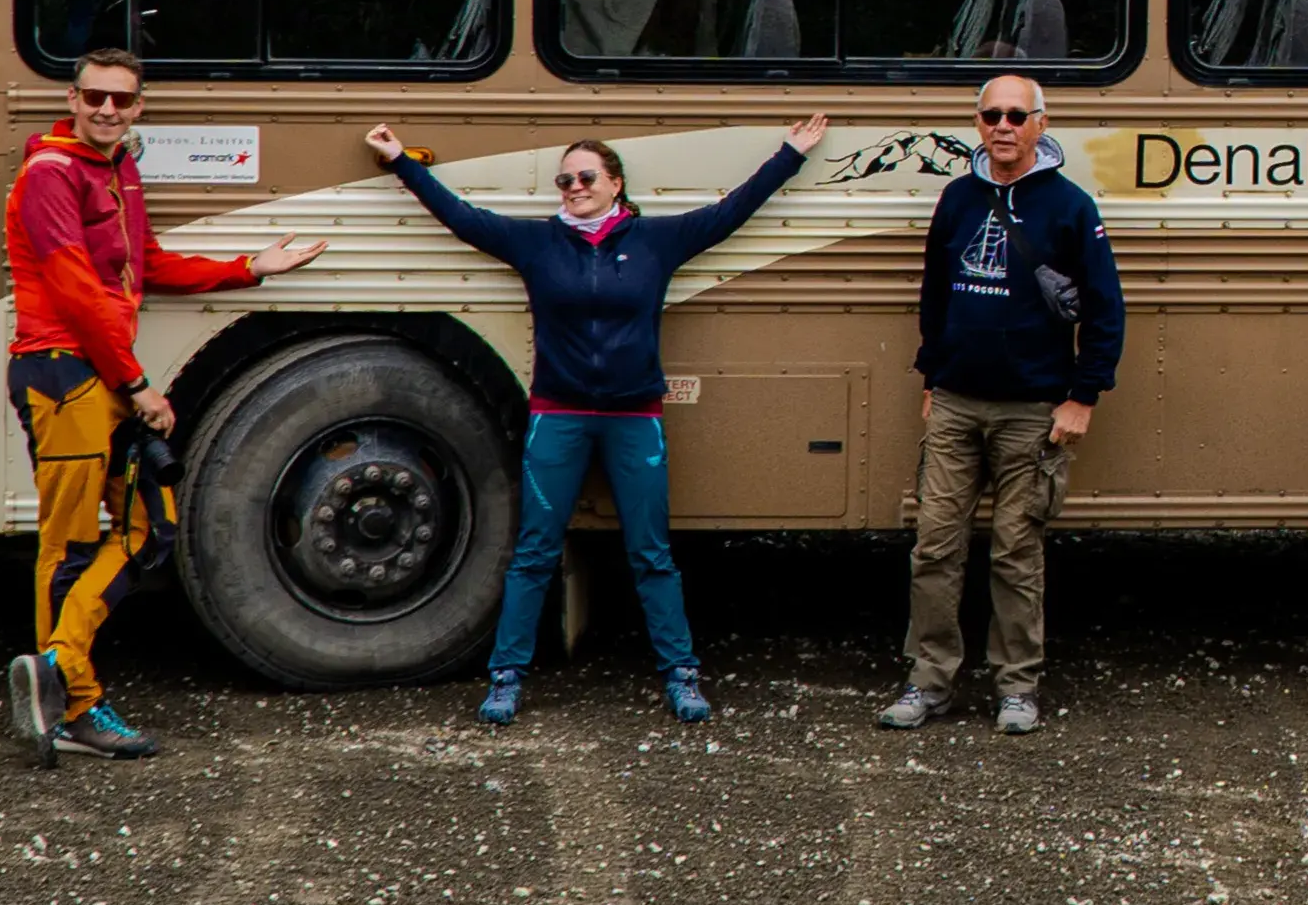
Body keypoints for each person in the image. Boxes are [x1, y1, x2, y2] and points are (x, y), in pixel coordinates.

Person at [364, 113, 830, 728]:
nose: (574, 188)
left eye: (586, 177)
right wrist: (401, 161)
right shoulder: (535, 243)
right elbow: (461, 217)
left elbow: (731, 212)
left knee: (651, 552)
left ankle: (681, 673)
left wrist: (790, 155)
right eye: (564, 180)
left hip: (634, 417)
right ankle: (506, 677)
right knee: (535, 550)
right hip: (559, 415)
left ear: (615, 183)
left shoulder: (656, 240)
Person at [0, 50, 325, 764]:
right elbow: (74, 290)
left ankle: (55, 666)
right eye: (94, 97)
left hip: (100, 376)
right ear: (72, 99)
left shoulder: (117, 169)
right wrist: (137, 384)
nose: (106, 110)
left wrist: (247, 270)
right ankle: (71, 708)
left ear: (139, 107)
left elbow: (144, 264)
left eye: (121, 100)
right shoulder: (50, 173)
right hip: (62, 374)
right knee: (68, 546)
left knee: (152, 527)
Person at [885, 73, 1126, 735]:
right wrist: (931, 376)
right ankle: (929, 680)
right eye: (992, 114)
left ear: (1041, 124)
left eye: (1017, 115)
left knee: (1016, 554)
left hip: (1032, 410)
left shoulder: (1070, 206)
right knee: (934, 548)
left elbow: (1105, 309)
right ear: (978, 122)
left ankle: (1017, 686)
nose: (1003, 126)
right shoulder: (958, 197)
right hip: (956, 403)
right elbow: (935, 293)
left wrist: (1082, 397)